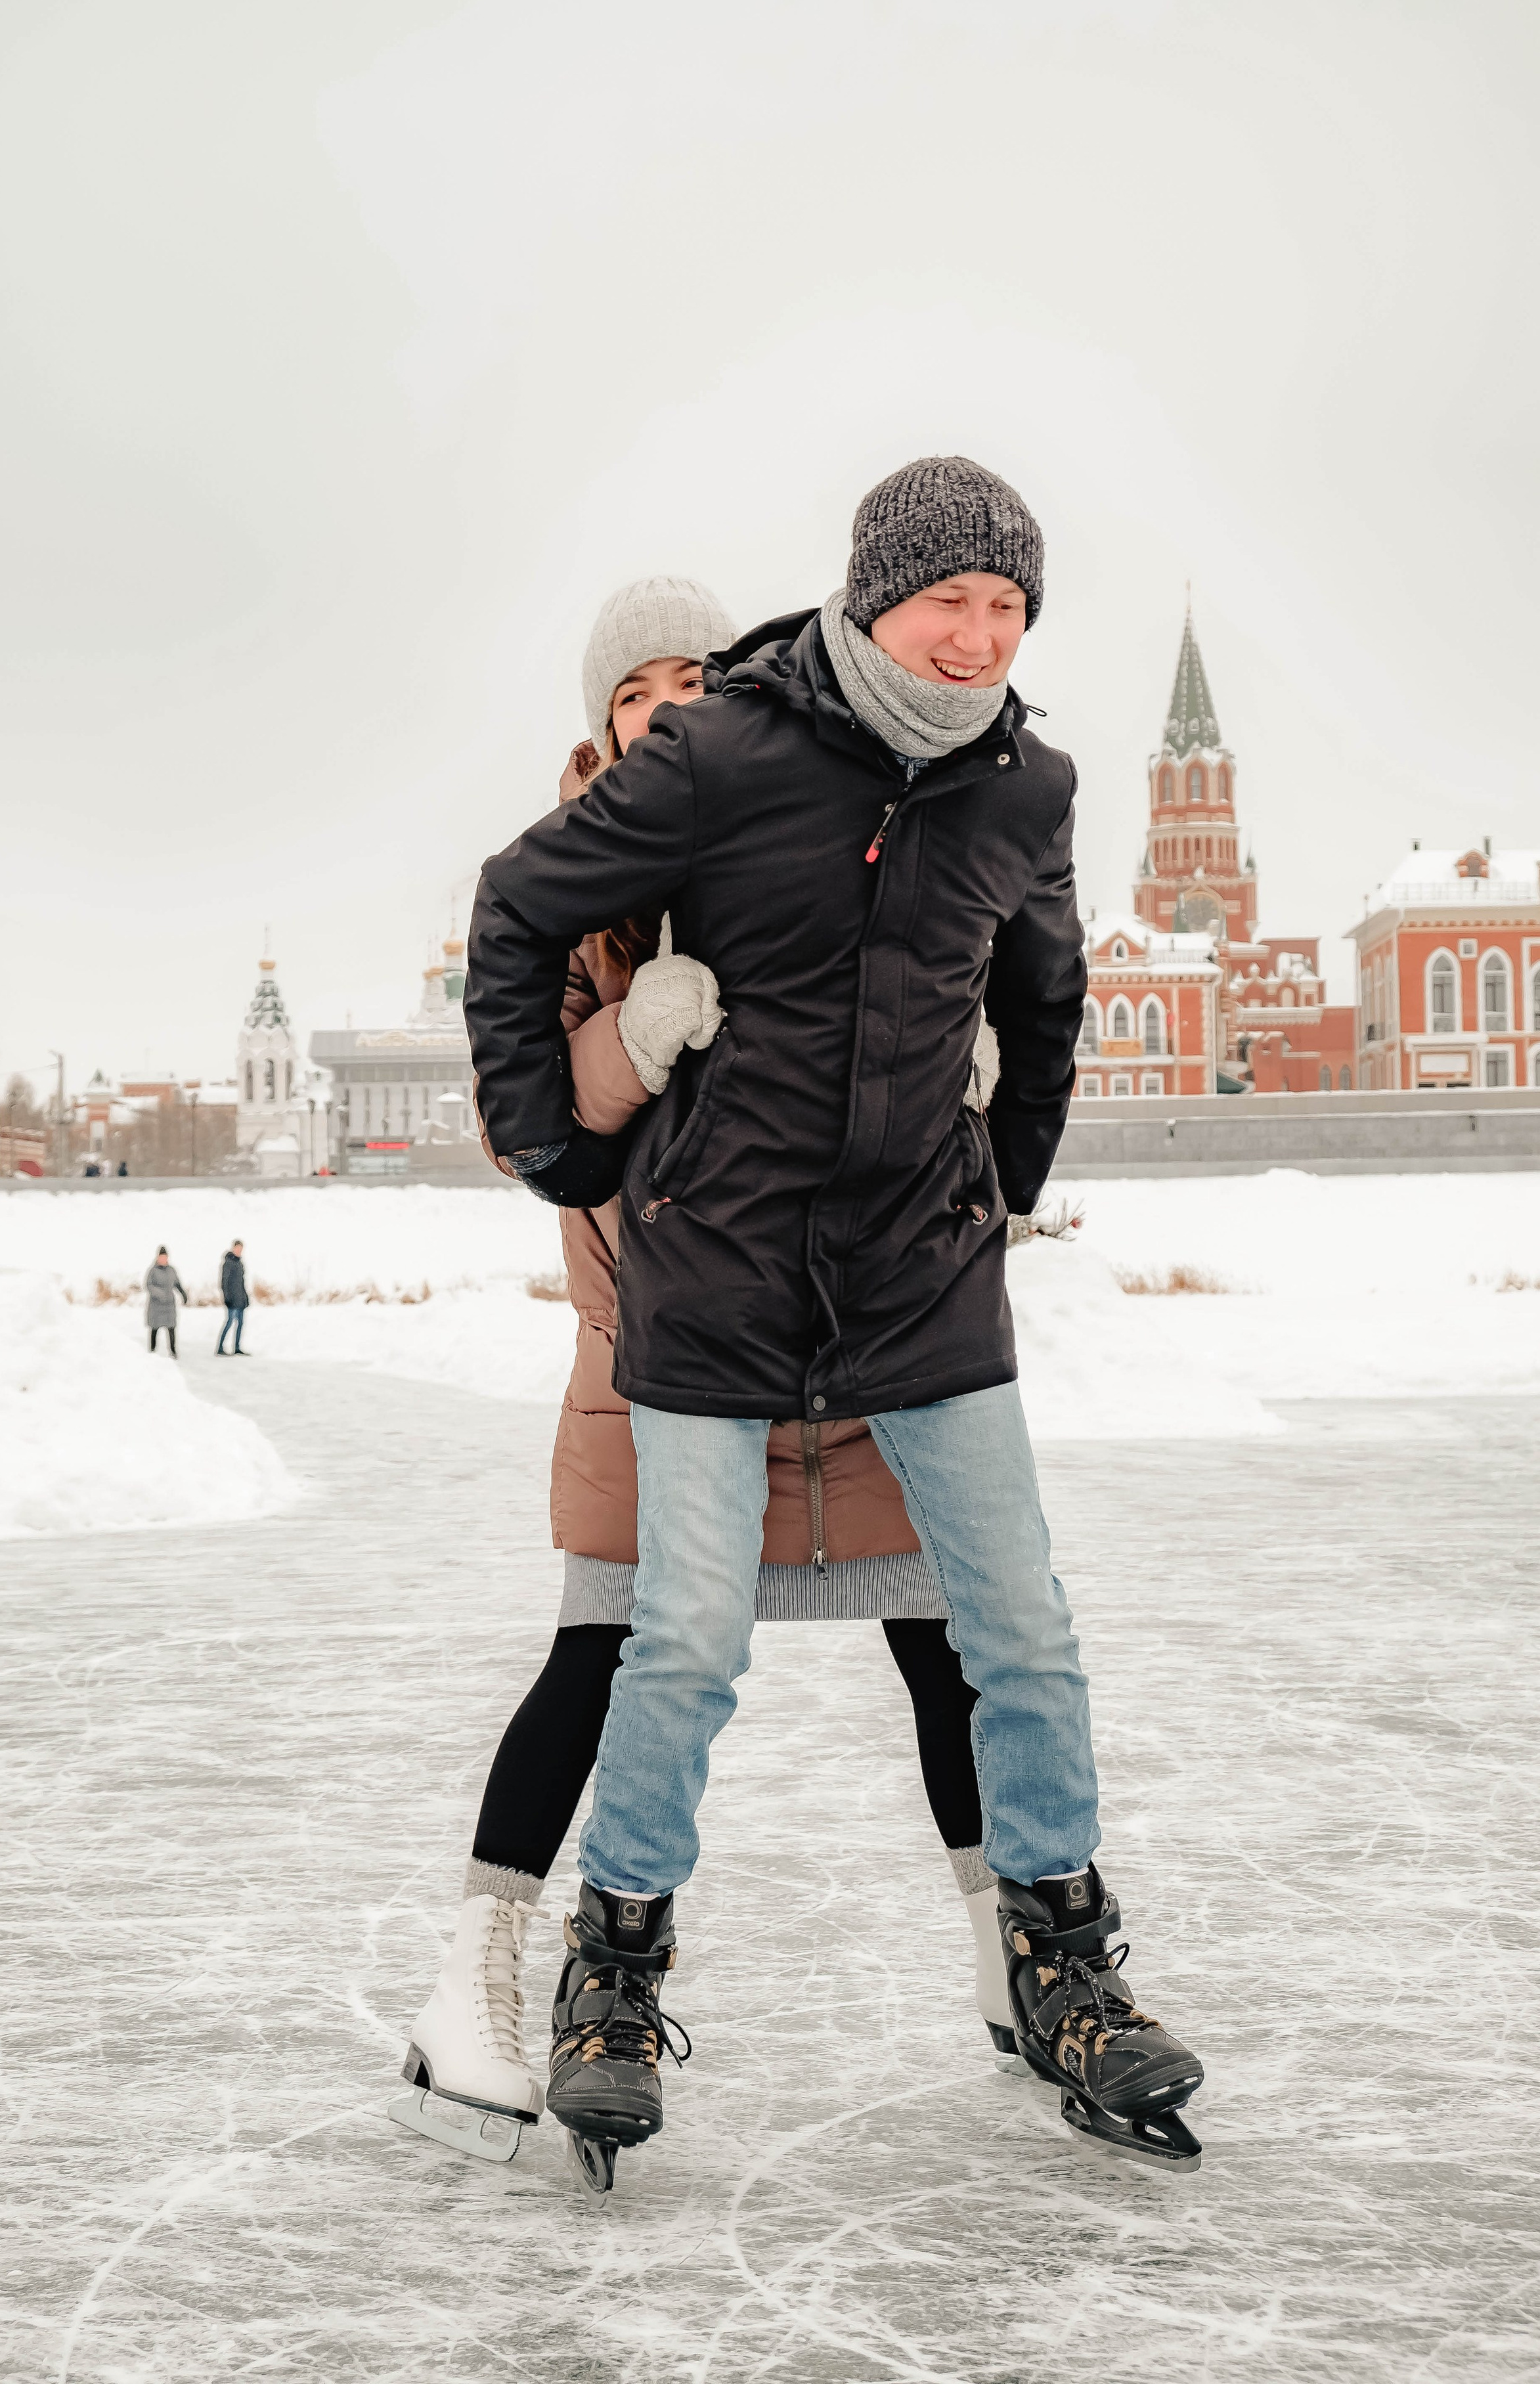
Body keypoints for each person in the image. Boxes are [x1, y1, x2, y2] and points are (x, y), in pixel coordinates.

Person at [467, 460, 1205, 2181]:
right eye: (952, 600)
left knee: (1018, 1627)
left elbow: (1048, 993)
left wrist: (998, 1186)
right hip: (718, 1283)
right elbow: (519, 907)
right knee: (687, 1640)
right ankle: (615, 1980)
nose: (979, 636)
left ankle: (1063, 1967)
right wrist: (564, 1141)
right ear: (878, 597)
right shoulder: (730, 750)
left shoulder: (1029, 787)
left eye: (1010, 608)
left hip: (922, 1287)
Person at [389, 578, 1017, 2174]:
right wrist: (629, 1040)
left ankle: (1010, 1950)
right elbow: (526, 1122)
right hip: (657, 1347)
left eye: (694, 678)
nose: (668, 705)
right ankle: (474, 1976)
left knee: (944, 1642)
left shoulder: (797, 832)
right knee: (600, 1650)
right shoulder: (570, 886)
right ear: (598, 722)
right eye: (636, 688)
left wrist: (959, 1056)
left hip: (848, 1335)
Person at [144, 1247, 186, 1356]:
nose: (164, 1259)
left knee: (171, 1327)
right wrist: (160, 1294)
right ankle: (152, 1350)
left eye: (165, 1257)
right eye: (161, 1257)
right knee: (155, 1327)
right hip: (156, 1305)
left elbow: (177, 1283)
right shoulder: (153, 1271)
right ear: (158, 1258)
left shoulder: (171, 1270)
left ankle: (173, 1351)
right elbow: (148, 1285)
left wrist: (183, 1293)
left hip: (169, 1305)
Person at [217, 1241, 248, 1355]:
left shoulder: (240, 1264)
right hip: (232, 1300)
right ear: (233, 1248)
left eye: (241, 1249)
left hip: (240, 1300)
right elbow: (224, 1282)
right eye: (238, 1249)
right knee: (229, 1323)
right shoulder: (228, 1263)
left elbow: (242, 1283)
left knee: (241, 1324)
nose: (239, 1251)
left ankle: (237, 1347)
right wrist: (227, 1298)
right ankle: (220, 1348)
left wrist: (246, 1298)